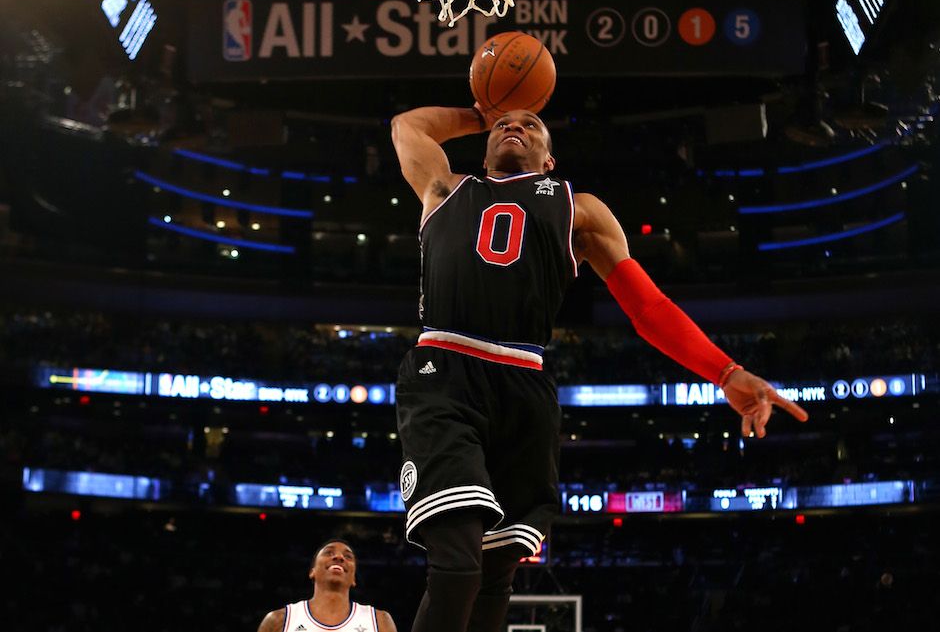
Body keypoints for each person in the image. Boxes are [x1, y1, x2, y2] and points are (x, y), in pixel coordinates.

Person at [390, 104, 810, 632]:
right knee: (455, 564)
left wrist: (725, 372)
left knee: (496, 573)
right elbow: (408, 126)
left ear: (549, 161)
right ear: (482, 146)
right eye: (502, 125)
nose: (513, 127)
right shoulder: (442, 187)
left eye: (531, 125)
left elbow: (647, 307)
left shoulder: (578, 207)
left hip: (525, 379)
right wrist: (482, 109)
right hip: (445, 370)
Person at [257, 539, 397, 632]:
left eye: (348, 556)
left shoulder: (380, 621)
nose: (339, 557)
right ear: (312, 571)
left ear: (354, 578)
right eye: (329, 552)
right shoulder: (278, 620)